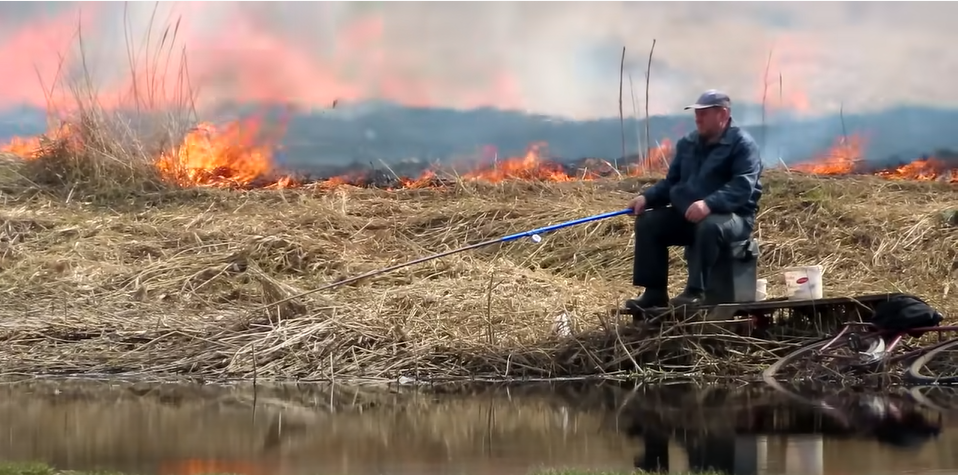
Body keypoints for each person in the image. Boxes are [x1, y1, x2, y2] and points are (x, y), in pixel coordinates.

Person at [626, 89, 764, 309]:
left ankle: (695, 292)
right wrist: (646, 197)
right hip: (690, 214)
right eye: (696, 113)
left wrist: (709, 204)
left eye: (704, 113)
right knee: (649, 223)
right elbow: (672, 182)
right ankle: (654, 293)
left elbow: (742, 186)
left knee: (709, 227)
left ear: (723, 115)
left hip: (734, 218)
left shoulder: (742, 144)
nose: (697, 118)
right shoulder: (687, 144)